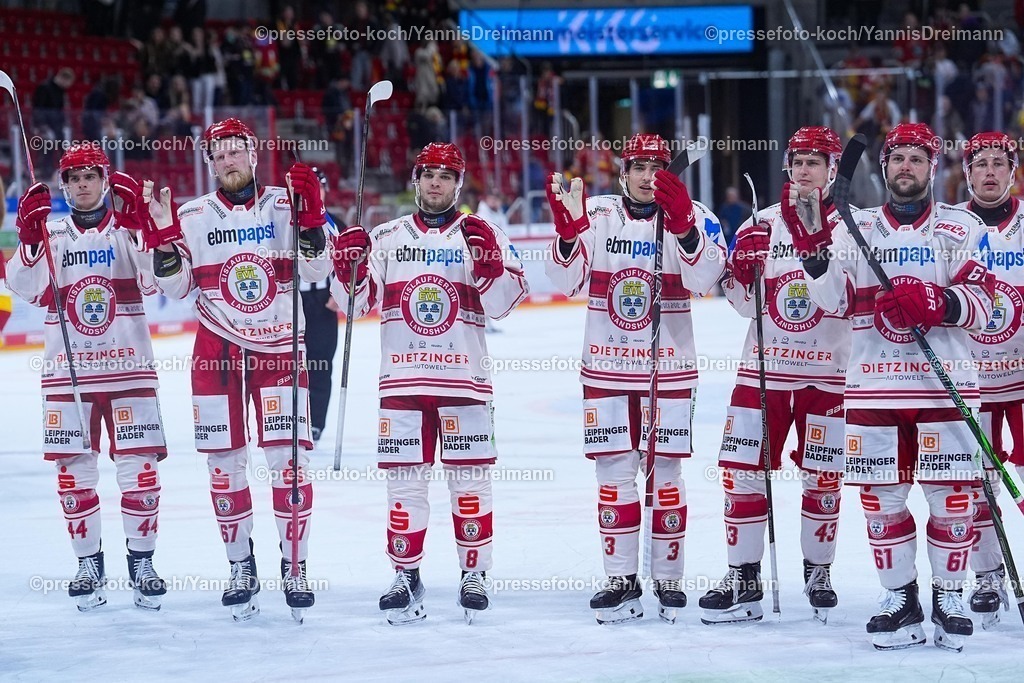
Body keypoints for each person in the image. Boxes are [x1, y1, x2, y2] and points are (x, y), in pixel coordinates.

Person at [798, 122, 993, 651]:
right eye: (898, 158)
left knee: (951, 499)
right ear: (883, 169)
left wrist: (941, 303)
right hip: (872, 388)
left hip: (943, 388)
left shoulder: (962, 226)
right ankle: (900, 599)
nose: (906, 166)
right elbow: (833, 302)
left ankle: (948, 595)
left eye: (917, 158)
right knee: (881, 500)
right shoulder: (853, 228)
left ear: (933, 168)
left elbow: (986, 306)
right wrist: (814, 256)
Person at [330, 142, 528, 625]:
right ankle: (406, 573)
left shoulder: (485, 233)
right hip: (403, 381)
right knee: (404, 485)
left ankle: (473, 573)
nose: (436, 182)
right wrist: (345, 267)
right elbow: (354, 305)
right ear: (414, 180)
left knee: (470, 484)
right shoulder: (385, 236)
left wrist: (488, 267)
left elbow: (506, 303)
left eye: (446, 175)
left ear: (459, 185)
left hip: (465, 381)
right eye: (428, 174)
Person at [147, 118, 332, 622]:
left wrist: (312, 217)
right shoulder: (192, 215)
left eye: (235, 151)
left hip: (279, 351)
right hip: (217, 353)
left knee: (289, 463)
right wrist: (164, 241)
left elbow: (319, 270)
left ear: (253, 155)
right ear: (209, 163)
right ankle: (240, 565)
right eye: (218, 154)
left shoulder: (285, 203)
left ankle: (295, 566)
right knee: (223, 463)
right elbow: (176, 288)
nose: (227, 160)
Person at [544, 133, 726, 624]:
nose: (649, 176)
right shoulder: (598, 213)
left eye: (657, 166)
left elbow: (709, 280)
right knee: (613, 474)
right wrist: (567, 231)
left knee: (665, 473)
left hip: (669, 367)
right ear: (623, 171)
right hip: (605, 367)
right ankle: (621, 578)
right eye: (639, 166)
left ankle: (668, 578)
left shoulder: (696, 211)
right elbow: (565, 283)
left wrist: (685, 227)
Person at [6, 144, 167, 612]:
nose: (81, 184)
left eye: (89, 176)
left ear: (104, 179)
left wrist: (141, 224)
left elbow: (157, 280)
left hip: (129, 370)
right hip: (66, 374)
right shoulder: (50, 233)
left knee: (140, 473)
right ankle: (88, 564)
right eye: (73, 177)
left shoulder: (126, 230)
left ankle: (142, 562)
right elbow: (22, 287)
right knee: (74, 475)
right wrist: (29, 240)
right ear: (63, 185)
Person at [703, 127, 851, 625]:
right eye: (798, 161)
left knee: (823, 478)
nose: (805, 169)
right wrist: (740, 276)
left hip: (828, 375)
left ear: (833, 170)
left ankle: (818, 572)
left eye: (816, 161)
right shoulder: (759, 224)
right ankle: (743, 577)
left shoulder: (853, 225)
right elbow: (746, 308)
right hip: (763, 373)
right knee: (742, 474)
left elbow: (848, 302)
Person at [956, 131, 1024, 627]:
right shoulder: (952, 226)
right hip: (971, 380)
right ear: (966, 172)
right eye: (980, 163)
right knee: (978, 483)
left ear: (1013, 170)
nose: (990, 172)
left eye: (999, 162)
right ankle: (987, 575)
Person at [300, 167, 340, 444]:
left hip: (323, 302)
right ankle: (291, 420)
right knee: (287, 367)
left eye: (319, 188)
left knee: (320, 365)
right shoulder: (283, 222)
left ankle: (316, 422)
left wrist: (341, 293)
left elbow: (352, 260)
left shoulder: (334, 223)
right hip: (292, 302)